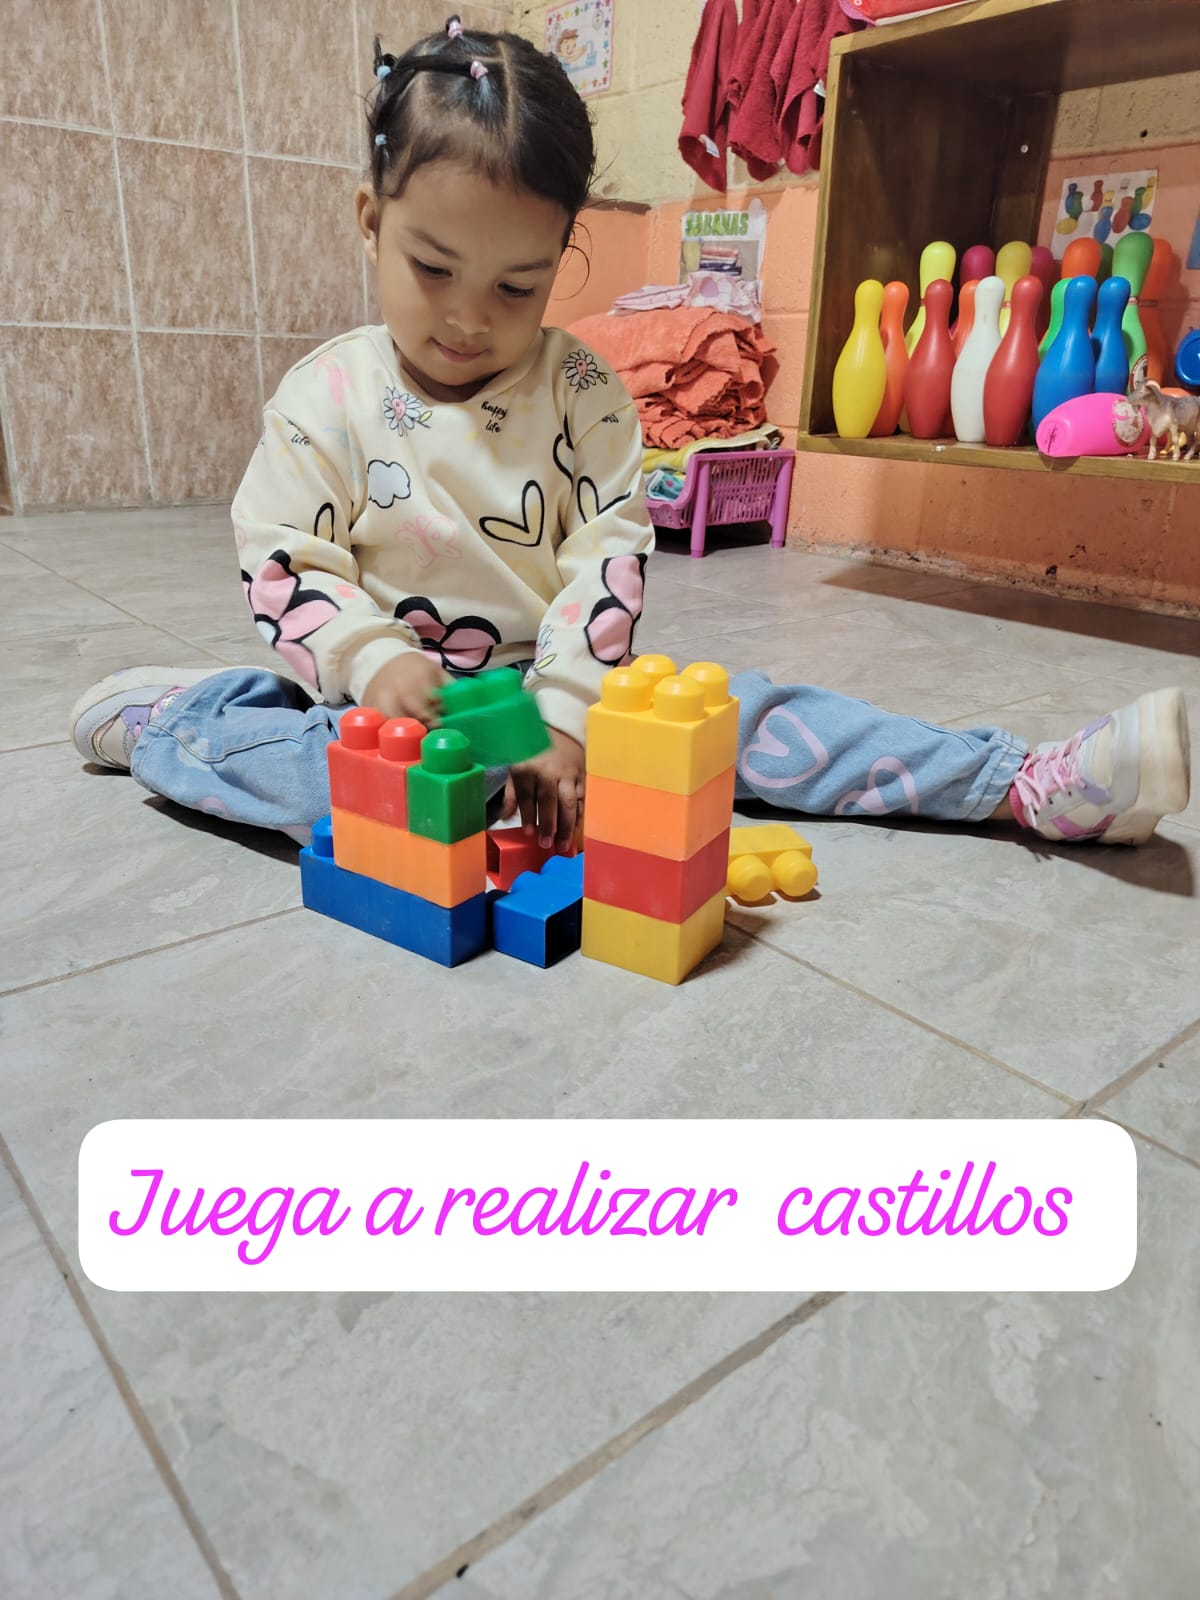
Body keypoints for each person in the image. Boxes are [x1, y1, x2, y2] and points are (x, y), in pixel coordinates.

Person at [69, 17, 1191, 852]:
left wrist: (564, 720)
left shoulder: (586, 394)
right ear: (372, 221)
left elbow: (603, 562)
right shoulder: (325, 396)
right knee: (319, 787)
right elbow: (286, 560)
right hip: (391, 713)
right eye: (432, 268)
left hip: (564, 690)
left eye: (516, 285)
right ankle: (180, 720)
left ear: (564, 255)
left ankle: (1020, 783)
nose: (468, 318)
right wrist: (372, 662)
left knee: (743, 716)